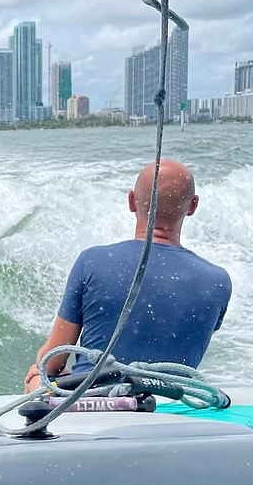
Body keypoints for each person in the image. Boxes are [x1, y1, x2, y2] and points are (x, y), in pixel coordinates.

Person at [24, 159, 232, 392]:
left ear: (132, 201)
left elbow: (53, 361)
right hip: (170, 404)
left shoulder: (92, 262)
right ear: (192, 206)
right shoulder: (217, 281)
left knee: (38, 377)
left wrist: (40, 365)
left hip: (97, 405)